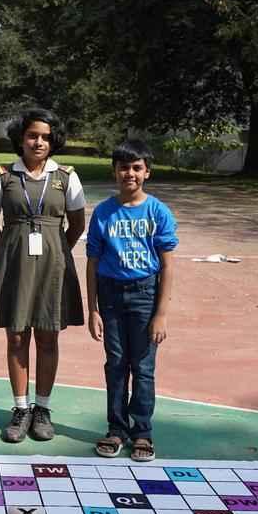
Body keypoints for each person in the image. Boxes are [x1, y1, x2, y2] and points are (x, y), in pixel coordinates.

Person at [0, 108, 86, 443]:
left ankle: (43, 409)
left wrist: (56, 250)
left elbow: (77, 225)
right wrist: (10, 250)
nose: (38, 142)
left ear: (53, 141)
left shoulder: (66, 177)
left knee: (48, 336)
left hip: (53, 267)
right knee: (16, 337)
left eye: (45, 137)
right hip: (14, 266)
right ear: (21, 138)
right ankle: (21, 408)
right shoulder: (2, 176)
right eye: (32, 136)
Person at [86, 139, 178, 462]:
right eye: (124, 167)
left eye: (137, 167)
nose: (130, 173)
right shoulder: (103, 212)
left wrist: (161, 314)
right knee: (116, 364)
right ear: (114, 171)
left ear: (147, 172)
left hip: (145, 296)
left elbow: (167, 265)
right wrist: (92, 309)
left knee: (143, 366)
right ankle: (116, 429)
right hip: (110, 296)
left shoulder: (157, 212)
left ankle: (142, 432)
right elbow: (92, 263)